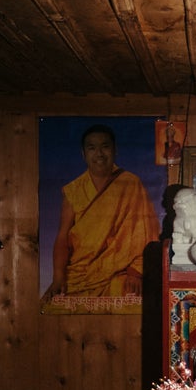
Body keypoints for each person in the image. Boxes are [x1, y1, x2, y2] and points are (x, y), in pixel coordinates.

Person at [43, 124, 160, 300]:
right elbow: (63, 237)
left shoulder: (131, 183)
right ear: (84, 154)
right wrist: (58, 277)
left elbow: (147, 231)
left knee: (133, 298)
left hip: (121, 271)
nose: (99, 154)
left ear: (115, 150)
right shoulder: (74, 190)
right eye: (92, 148)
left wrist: (136, 271)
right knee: (50, 306)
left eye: (105, 147)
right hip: (80, 273)